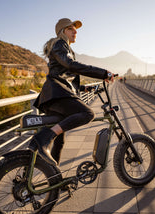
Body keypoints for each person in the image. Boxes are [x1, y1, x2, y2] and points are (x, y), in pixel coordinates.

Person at [29, 18, 115, 165]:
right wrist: (103, 73)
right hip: (57, 95)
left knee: (59, 143)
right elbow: (71, 65)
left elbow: (61, 75)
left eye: (75, 29)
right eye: (70, 28)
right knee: (88, 114)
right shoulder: (59, 44)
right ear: (63, 32)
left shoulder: (63, 48)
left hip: (55, 95)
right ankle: (44, 137)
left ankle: (54, 180)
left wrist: (83, 88)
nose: (75, 31)